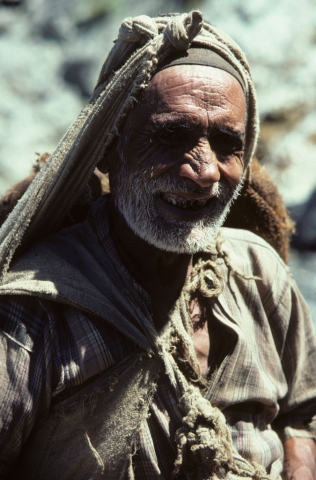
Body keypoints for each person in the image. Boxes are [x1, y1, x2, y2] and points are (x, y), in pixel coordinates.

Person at [0, 11, 315, 480]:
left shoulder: (258, 272)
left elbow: (302, 412)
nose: (205, 170)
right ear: (109, 146)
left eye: (227, 143)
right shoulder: (34, 317)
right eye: (172, 135)